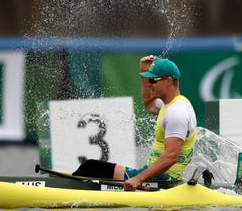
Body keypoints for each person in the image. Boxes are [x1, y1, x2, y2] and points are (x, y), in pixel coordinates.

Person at [72, 55, 197, 191]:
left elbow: (171, 156)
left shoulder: (177, 112)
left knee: (91, 168)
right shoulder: (169, 105)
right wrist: (144, 73)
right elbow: (149, 104)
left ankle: (65, 188)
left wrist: (138, 179)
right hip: (157, 175)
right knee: (90, 168)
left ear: (168, 80)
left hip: (162, 180)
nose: (149, 84)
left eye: (153, 80)